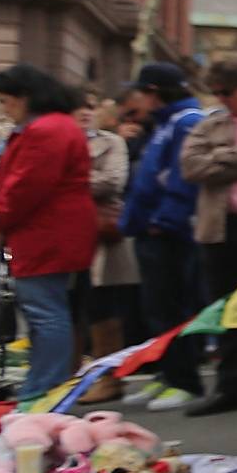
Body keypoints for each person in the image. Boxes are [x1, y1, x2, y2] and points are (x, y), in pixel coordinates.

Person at [0, 65, 95, 401]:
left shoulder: (45, 130)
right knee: (45, 311)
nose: (4, 109)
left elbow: (25, 186)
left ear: (25, 98)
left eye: (6, 101)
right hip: (50, 231)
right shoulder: (55, 127)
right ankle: (43, 384)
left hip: (45, 233)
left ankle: (45, 389)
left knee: (45, 312)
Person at [177, 54, 237, 417]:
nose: (221, 99)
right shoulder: (212, 121)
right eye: (216, 92)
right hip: (219, 228)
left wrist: (222, 157)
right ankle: (230, 388)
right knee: (226, 310)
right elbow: (190, 165)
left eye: (227, 92)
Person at [118, 62, 206, 412]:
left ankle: (185, 379)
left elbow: (181, 177)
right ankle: (167, 373)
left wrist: (163, 220)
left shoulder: (185, 122)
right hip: (151, 228)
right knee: (156, 307)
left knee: (173, 305)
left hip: (169, 232)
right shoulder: (165, 123)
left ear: (153, 92)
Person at [75, 98, 142, 404]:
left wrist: (66, 180)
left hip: (102, 233)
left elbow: (113, 181)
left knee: (103, 306)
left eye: (90, 106)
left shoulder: (111, 142)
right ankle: (72, 376)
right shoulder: (55, 141)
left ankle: (108, 378)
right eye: (78, 107)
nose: (86, 112)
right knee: (71, 305)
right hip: (66, 233)